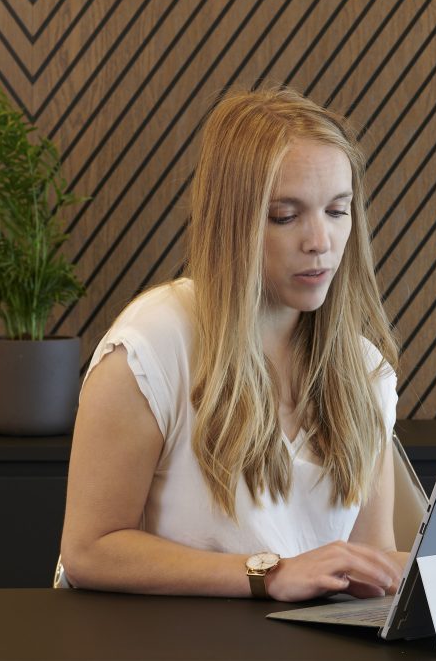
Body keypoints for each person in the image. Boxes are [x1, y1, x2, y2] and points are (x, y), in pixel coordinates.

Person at [60, 86, 404, 602]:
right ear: (232, 222)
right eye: (285, 216)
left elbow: (371, 564)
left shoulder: (365, 369)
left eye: (337, 211)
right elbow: (89, 551)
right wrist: (271, 574)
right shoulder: (153, 345)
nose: (320, 241)